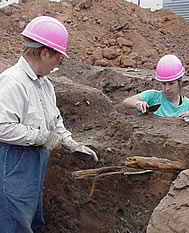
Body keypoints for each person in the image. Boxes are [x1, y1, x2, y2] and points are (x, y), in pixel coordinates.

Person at [0, 16, 98, 233]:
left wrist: (70, 142)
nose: (58, 64)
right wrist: (40, 137)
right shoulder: (12, 82)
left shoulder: (44, 85)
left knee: (31, 216)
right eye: (58, 58)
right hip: (14, 162)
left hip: (35, 162)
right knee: (13, 220)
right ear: (44, 53)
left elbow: (54, 121)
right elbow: (2, 126)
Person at [122, 54, 189, 117]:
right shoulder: (153, 96)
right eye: (164, 84)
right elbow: (126, 102)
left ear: (180, 83)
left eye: (171, 83)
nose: (167, 88)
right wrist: (138, 104)